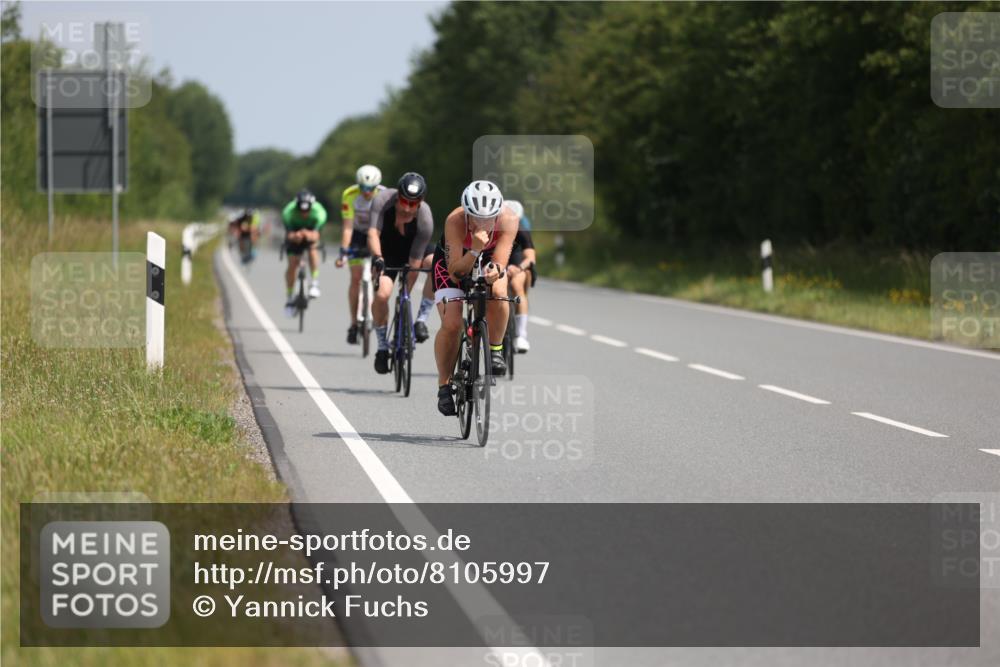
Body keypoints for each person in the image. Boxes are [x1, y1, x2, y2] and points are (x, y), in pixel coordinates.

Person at [432, 180, 518, 416]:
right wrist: (474, 250)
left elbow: (500, 262)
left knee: (499, 293)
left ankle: (496, 349)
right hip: (454, 260)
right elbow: (456, 272)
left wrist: (494, 273)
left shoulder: (509, 219)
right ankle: (443, 385)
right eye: (476, 218)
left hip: (488, 256)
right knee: (451, 324)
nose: (483, 224)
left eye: (489, 218)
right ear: (466, 213)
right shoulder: (455, 220)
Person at [367, 172, 434, 374]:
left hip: (414, 249)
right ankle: (381, 347)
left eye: (413, 204)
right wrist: (378, 257)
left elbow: (414, 263)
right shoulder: (382, 201)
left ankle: (421, 319)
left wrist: (405, 292)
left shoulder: (425, 219)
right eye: (404, 201)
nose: (407, 208)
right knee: (382, 295)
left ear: (420, 203)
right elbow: (372, 233)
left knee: (435, 264)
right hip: (386, 251)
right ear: (397, 197)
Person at [337, 165, 385, 344]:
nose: (367, 192)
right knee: (356, 278)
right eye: (363, 188)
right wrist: (344, 250)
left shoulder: (384, 194)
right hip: (357, 234)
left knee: (377, 276)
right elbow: (347, 227)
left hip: (377, 233)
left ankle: (374, 305)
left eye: (371, 188)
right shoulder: (349, 195)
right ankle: (353, 323)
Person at [281, 189, 327, 318]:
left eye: (307, 211)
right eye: (301, 210)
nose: (304, 213)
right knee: (292, 265)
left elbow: (316, 234)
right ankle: (290, 297)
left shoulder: (319, 212)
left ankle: (314, 283)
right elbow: (289, 234)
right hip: (294, 234)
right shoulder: (288, 212)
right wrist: (295, 236)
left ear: (311, 207)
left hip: (311, 233)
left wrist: (309, 235)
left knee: (313, 250)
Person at [503, 200, 537, 352]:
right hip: (496, 259)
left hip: (517, 261)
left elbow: (530, 258)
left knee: (517, 285)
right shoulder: (492, 228)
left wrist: (518, 268)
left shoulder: (522, 230)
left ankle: (521, 335)